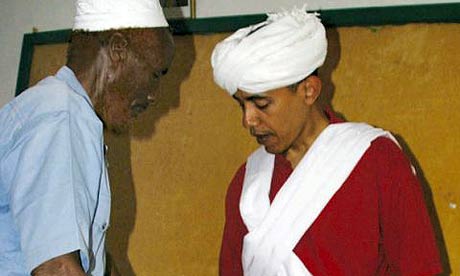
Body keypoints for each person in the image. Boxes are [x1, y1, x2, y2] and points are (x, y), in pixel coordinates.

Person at [211, 6, 443, 276]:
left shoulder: (376, 161)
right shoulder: (249, 183)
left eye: (262, 104)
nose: (248, 120)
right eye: (242, 106)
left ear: (309, 90)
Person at [0, 0, 174, 275]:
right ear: (118, 50)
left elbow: (90, 256)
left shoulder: (59, 111)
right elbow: (56, 268)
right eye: (155, 74)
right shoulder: (61, 117)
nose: (153, 94)